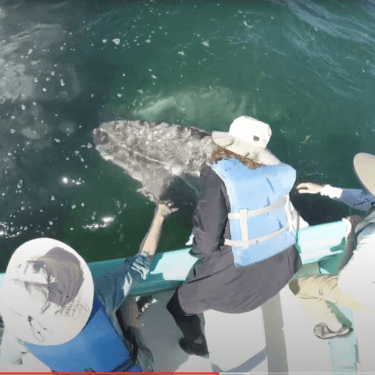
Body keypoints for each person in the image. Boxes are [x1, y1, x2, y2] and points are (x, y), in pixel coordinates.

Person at [166, 115, 306, 356]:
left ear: (228, 143)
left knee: (177, 307)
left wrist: (201, 262)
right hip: (285, 267)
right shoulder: (280, 172)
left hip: (240, 289)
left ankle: (197, 345)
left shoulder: (218, 175)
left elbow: (207, 242)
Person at [0, 202, 176, 372]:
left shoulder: (17, 331)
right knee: (128, 303)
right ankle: (131, 317)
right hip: (136, 368)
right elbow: (140, 263)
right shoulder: (99, 298)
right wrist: (159, 215)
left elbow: (9, 360)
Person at [291, 152, 375, 373]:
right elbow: (367, 200)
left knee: (300, 287)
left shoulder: (370, 235)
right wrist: (324, 190)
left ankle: (337, 328)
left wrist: (350, 238)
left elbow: (348, 283)